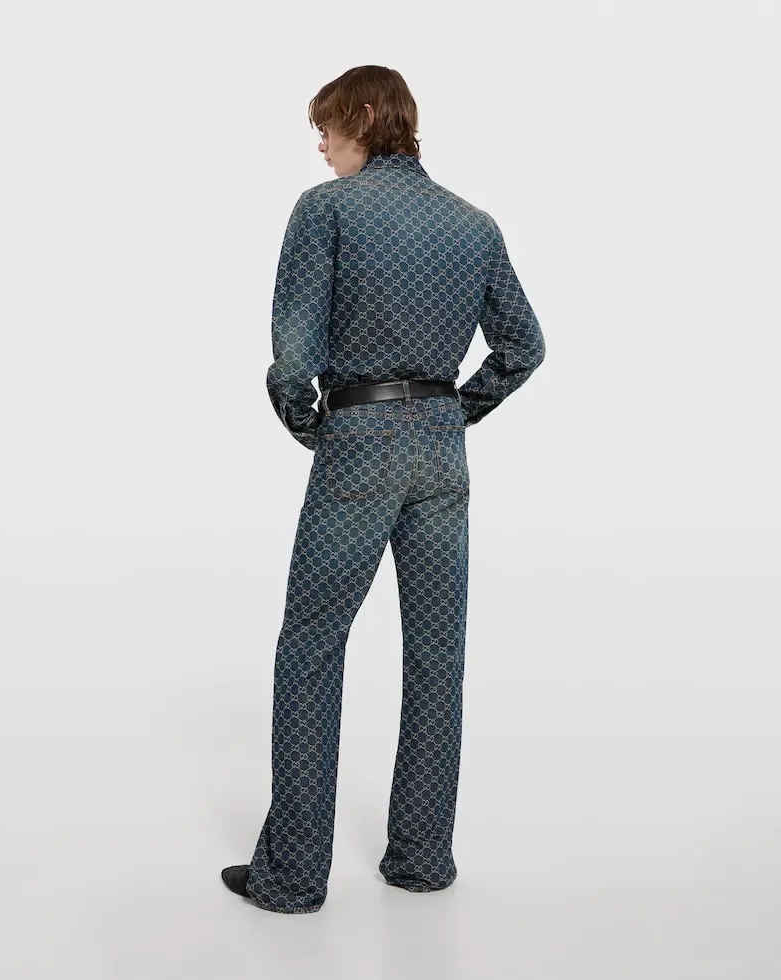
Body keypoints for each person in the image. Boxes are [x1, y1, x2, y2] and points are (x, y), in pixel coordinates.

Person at [221, 65, 545, 913]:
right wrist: (455, 411)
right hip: (441, 455)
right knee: (438, 654)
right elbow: (524, 345)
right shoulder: (474, 224)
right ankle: (423, 860)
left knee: (311, 645)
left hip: (359, 443)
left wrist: (310, 422)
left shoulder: (326, 209)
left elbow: (294, 358)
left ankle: (293, 878)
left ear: (365, 117)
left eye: (326, 127)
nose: (320, 145)